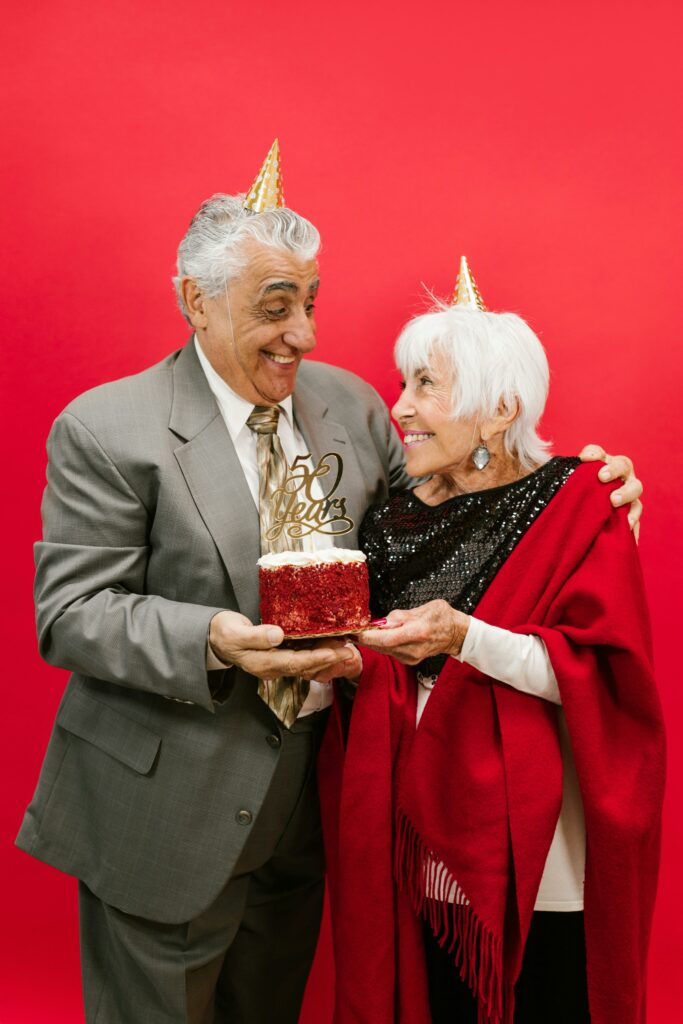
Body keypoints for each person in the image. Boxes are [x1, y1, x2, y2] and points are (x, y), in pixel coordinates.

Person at [16, 137, 643, 1024]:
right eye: (276, 307)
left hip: (311, 810)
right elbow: (71, 614)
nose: (303, 335)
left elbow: (450, 521)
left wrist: (578, 495)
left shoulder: (350, 406)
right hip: (162, 814)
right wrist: (215, 641)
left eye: (311, 302)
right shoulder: (108, 428)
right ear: (196, 301)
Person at [319, 264, 665, 1024]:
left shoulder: (580, 500)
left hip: (537, 850)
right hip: (417, 831)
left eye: (424, 387)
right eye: (401, 384)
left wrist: (462, 636)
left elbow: (593, 676)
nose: (399, 408)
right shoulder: (389, 519)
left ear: (498, 408)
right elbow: (370, 677)